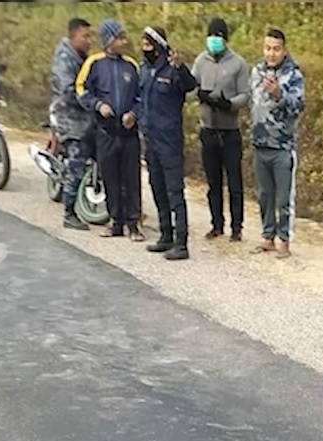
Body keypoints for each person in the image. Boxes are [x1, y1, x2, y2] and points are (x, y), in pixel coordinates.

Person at [76, 19, 144, 240]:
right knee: (110, 178)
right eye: (119, 37)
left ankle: (134, 224)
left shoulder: (131, 66)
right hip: (105, 132)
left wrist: (133, 114)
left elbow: (142, 97)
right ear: (108, 40)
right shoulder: (94, 63)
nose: (124, 41)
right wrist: (98, 105)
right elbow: (81, 90)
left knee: (131, 179)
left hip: (129, 134)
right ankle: (116, 222)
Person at [137, 25, 198, 260]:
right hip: (150, 140)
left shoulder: (172, 69)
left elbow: (190, 85)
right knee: (157, 188)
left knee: (175, 192)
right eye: (143, 44)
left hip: (169, 142)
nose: (145, 49)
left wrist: (180, 67)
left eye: (150, 44)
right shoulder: (144, 70)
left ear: (160, 46)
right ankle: (166, 235)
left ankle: (181, 243)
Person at [191, 17, 251, 242]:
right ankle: (217, 224)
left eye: (219, 37)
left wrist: (230, 103)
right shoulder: (201, 61)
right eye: (212, 36)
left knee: (234, 183)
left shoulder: (238, 63)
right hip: (208, 129)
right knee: (213, 182)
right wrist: (200, 95)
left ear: (225, 39)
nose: (214, 40)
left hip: (229, 131)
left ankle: (237, 228)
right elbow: (191, 86)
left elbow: (245, 95)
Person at [249, 27, 305, 259]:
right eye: (268, 48)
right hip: (260, 144)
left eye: (276, 49)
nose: (271, 53)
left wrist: (279, 95)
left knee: (283, 198)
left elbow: (299, 105)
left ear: (284, 50)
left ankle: (284, 239)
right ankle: (267, 235)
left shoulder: (293, 75)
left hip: (282, 146)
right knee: (264, 195)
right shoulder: (256, 71)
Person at [49, 16, 95, 231]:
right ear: (74, 35)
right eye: (85, 36)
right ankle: (69, 212)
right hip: (69, 118)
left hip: (85, 119)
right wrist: (91, 100)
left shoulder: (82, 56)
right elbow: (69, 91)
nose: (89, 40)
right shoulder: (64, 58)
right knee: (76, 162)